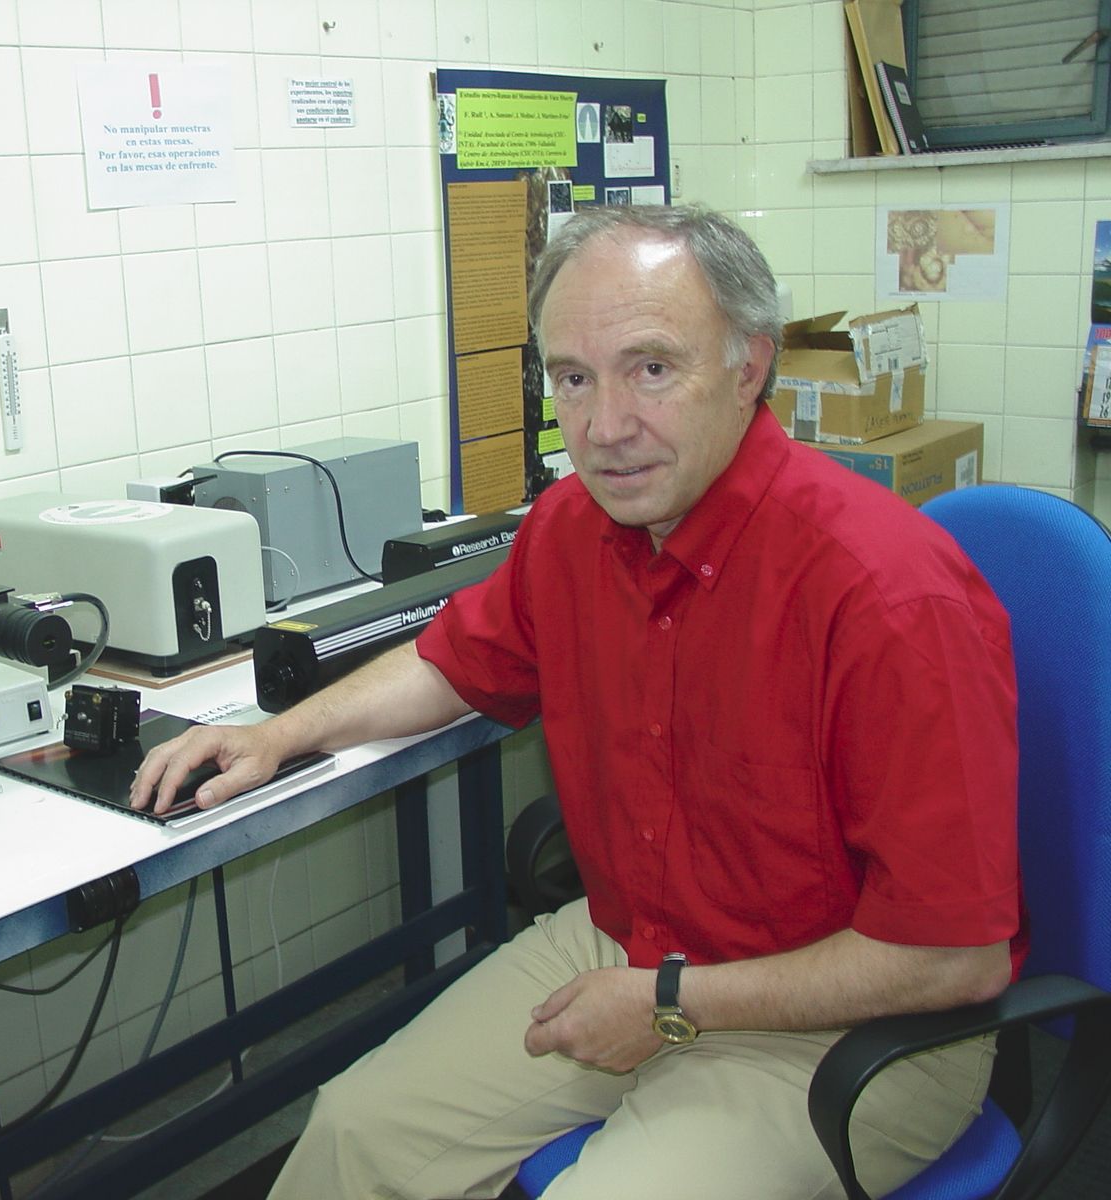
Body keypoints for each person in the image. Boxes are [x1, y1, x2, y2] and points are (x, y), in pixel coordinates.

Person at [131, 204, 1024, 1199]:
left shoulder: (885, 594)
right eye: (572, 378)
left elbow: (955, 959)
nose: (605, 428)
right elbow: (452, 662)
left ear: (748, 367)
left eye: (651, 369)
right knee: (357, 1135)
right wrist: (280, 734)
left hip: (855, 1021)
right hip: (637, 935)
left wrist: (674, 1004)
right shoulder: (573, 527)